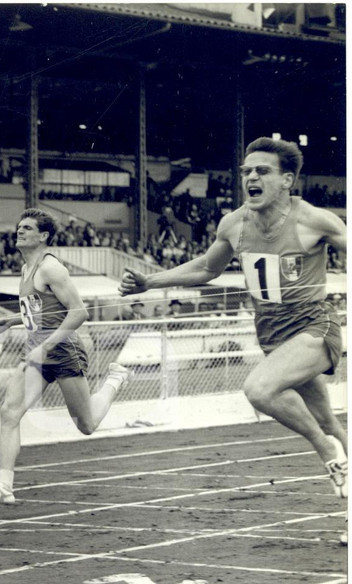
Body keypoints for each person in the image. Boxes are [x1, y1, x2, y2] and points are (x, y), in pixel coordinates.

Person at [119, 137, 348, 542]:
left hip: (315, 325)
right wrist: (149, 281)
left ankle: (326, 451)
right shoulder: (234, 224)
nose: (251, 177)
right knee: (330, 420)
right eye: (246, 171)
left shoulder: (315, 220)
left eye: (262, 170)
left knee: (259, 389)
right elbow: (207, 268)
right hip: (272, 334)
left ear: (287, 180)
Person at [0, 209, 132, 504]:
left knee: (86, 425)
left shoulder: (51, 268)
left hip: (62, 350)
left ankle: (115, 378)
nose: (19, 231)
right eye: (18, 227)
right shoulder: (26, 269)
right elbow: (40, 311)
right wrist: (9, 322)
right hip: (36, 351)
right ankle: (5, 486)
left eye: (27, 228)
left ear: (43, 236)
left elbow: (79, 313)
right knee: (9, 413)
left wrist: (46, 346)